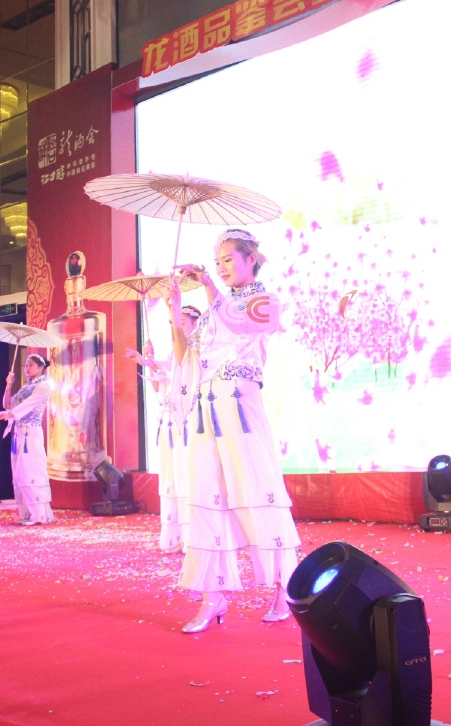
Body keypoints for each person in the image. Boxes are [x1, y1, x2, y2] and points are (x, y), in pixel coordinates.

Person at [168, 229, 300, 633]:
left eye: (228, 259)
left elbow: (241, 327)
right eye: (217, 262)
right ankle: (213, 596)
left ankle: (284, 588)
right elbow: (187, 356)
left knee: (256, 491)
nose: (222, 267)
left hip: (240, 405)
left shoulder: (265, 301)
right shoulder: (214, 310)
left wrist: (209, 287)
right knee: (208, 497)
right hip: (207, 410)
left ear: (250, 259)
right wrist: (174, 312)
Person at [124, 304, 201, 553]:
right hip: (169, 424)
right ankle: (174, 537)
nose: (175, 327)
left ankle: (192, 539)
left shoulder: (197, 350)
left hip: (188, 425)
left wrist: (149, 361)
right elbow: (160, 389)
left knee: (186, 477)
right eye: (172, 323)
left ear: (195, 325)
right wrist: (150, 363)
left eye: (181, 323)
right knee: (171, 478)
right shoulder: (172, 353)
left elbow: (181, 376)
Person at [0, 354, 55, 525]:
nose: (27, 368)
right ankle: (27, 514)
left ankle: (40, 515)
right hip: (18, 433)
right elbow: (8, 404)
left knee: (30, 471)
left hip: (31, 433)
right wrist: (9, 385)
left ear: (41, 367)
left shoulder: (44, 386)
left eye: (30, 365)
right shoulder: (25, 388)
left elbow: (28, 405)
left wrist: (10, 415)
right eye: (25, 365)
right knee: (19, 474)